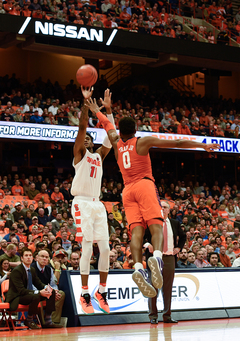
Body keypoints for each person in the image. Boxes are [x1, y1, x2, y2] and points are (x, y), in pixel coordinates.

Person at [86, 96, 220, 298]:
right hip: (144, 184)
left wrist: (99, 110)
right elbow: (177, 142)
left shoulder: (115, 142)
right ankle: (156, 258)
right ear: (136, 128)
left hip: (127, 190)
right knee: (156, 225)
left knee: (136, 232)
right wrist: (202, 145)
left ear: (120, 131)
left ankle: (138, 268)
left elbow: (107, 126)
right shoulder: (143, 141)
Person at [71, 88, 115, 315]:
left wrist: (107, 110)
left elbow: (111, 134)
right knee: (87, 249)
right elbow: (81, 128)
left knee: (106, 249)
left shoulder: (99, 155)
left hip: (97, 204)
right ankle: (84, 294)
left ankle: (102, 291)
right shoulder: (79, 155)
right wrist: (86, 104)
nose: (87, 139)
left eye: (90, 138)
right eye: (84, 139)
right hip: (81, 203)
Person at [145, 201, 186, 324]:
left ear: (169, 210)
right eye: (160, 207)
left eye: (165, 207)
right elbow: (141, 236)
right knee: (153, 287)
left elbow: (183, 236)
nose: (162, 209)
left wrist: (178, 248)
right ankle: (153, 316)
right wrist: (147, 244)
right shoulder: (151, 222)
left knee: (168, 288)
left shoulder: (175, 223)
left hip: (169, 258)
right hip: (154, 258)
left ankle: (167, 316)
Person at [5, 248, 62, 329]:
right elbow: (21, 291)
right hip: (17, 297)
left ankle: (48, 321)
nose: (28, 257)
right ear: (22, 258)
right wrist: (39, 292)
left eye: (30, 255)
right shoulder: (16, 271)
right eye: (26, 255)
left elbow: (39, 284)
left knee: (51, 292)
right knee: (36, 296)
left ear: (33, 258)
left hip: (27, 295)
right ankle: (29, 320)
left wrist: (47, 288)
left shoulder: (32, 269)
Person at [31, 250, 65, 325]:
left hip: (47, 292)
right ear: (37, 257)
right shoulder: (31, 268)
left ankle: (53, 321)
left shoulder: (49, 269)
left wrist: (55, 291)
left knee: (61, 294)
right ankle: (43, 322)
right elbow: (31, 285)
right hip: (36, 292)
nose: (44, 259)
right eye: (42, 256)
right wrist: (45, 291)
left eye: (46, 257)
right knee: (39, 296)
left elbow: (53, 284)